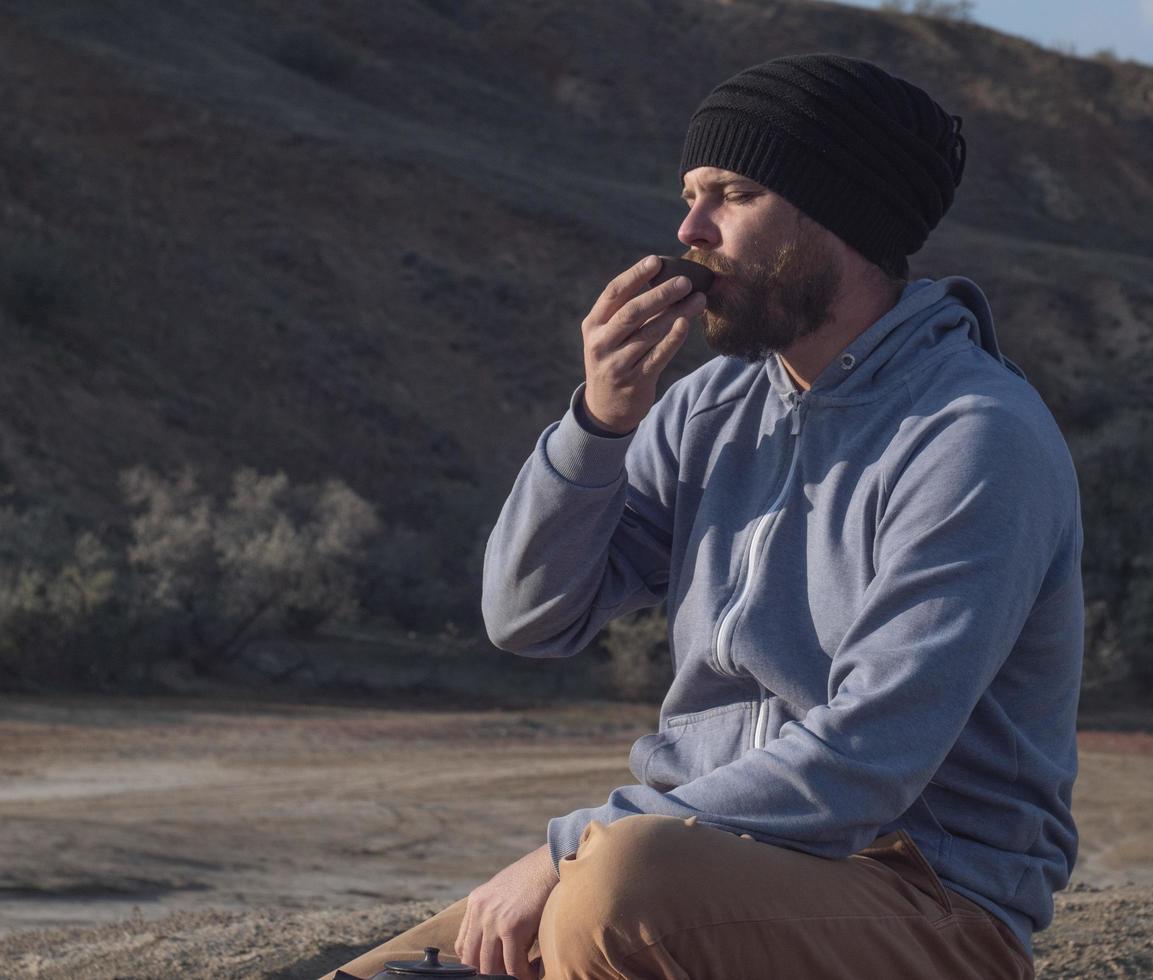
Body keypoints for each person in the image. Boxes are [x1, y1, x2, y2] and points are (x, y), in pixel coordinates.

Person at [324, 52, 1082, 980]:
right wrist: (599, 423)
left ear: (836, 213)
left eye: (730, 194)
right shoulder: (707, 408)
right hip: (690, 860)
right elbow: (529, 617)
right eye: (689, 195)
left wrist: (574, 847)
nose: (690, 230)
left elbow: (869, 759)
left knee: (615, 897)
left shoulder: (973, 436)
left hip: (922, 900)